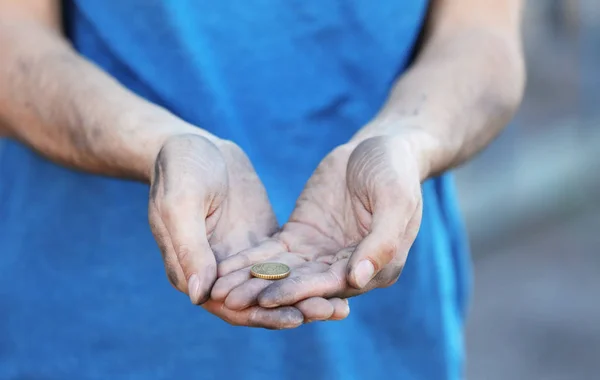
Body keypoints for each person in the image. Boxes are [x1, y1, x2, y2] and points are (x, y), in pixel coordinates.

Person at [0, 0, 525, 378]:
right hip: (88, 329)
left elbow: (482, 34)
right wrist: (159, 146)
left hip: (383, 340)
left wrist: (408, 140)